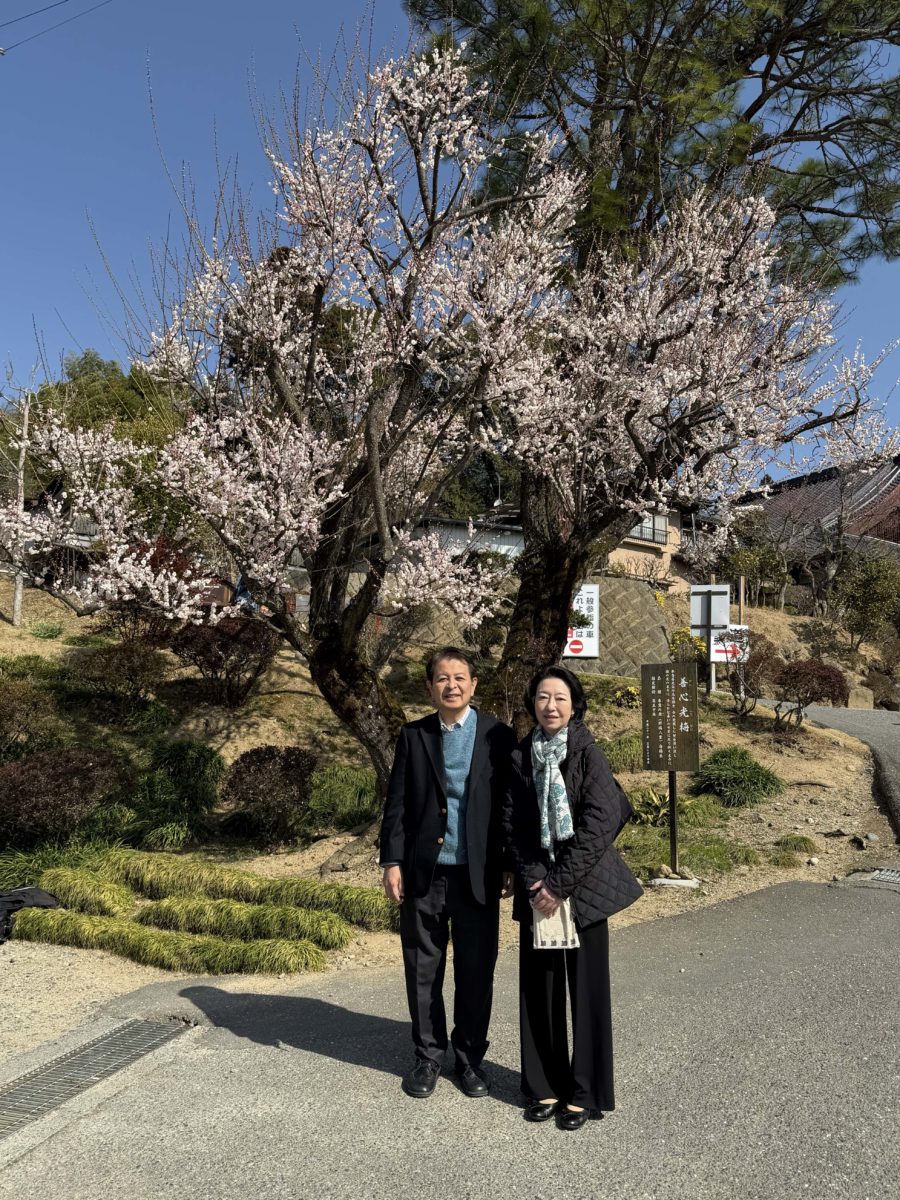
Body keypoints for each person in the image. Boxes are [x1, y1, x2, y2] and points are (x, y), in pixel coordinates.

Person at [504, 665, 642, 1130]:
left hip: (583, 891)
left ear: (575, 704)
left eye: (560, 698)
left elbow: (600, 823)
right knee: (539, 993)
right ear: (533, 704)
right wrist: (537, 882)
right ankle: (544, 1086)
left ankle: (584, 1092)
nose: (551, 706)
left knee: (586, 994)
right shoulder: (521, 756)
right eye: (543, 697)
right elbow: (513, 827)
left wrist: (559, 884)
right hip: (537, 889)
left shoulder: (587, 753)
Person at [380, 646, 517, 1100]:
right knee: (423, 968)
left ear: (474, 685)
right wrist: (392, 861)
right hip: (426, 872)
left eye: (460, 677)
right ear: (430, 686)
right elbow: (397, 804)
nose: (451, 685)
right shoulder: (414, 735)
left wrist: (508, 864)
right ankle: (428, 1057)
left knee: (477, 971)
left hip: (478, 874)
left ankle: (470, 1058)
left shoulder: (499, 736)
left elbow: (509, 808)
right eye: (442, 678)